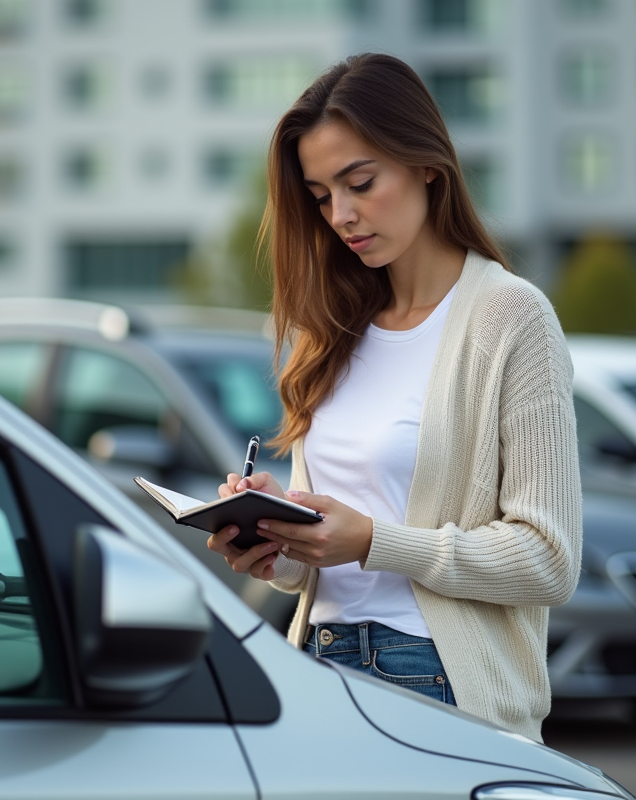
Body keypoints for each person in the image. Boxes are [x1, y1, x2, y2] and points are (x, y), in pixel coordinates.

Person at [205, 53, 581, 742]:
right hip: (319, 668)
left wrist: (376, 541)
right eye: (321, 195)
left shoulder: (511, 317)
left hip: (438, 683)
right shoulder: (332, 328)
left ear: (426, 165)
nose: (341, 215)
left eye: (360, 182)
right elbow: (328, 559)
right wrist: (276, 543)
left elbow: (548, 560)